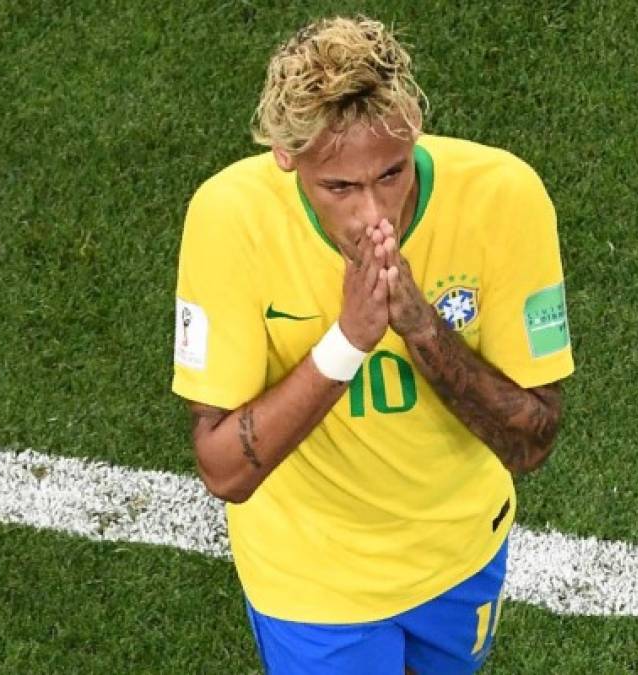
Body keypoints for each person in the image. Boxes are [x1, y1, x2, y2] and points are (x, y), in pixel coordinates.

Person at [172, 15, 573, 674]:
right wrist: (349, 339)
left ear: (413, 123)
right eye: (340, 188)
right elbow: (224, 468)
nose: (374, 215)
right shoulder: (229, 217)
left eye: (391, 174)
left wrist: (419, 324)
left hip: (460, 553)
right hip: (311, 581)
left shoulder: (504, 195)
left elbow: (531, 440)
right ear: (285, 153)